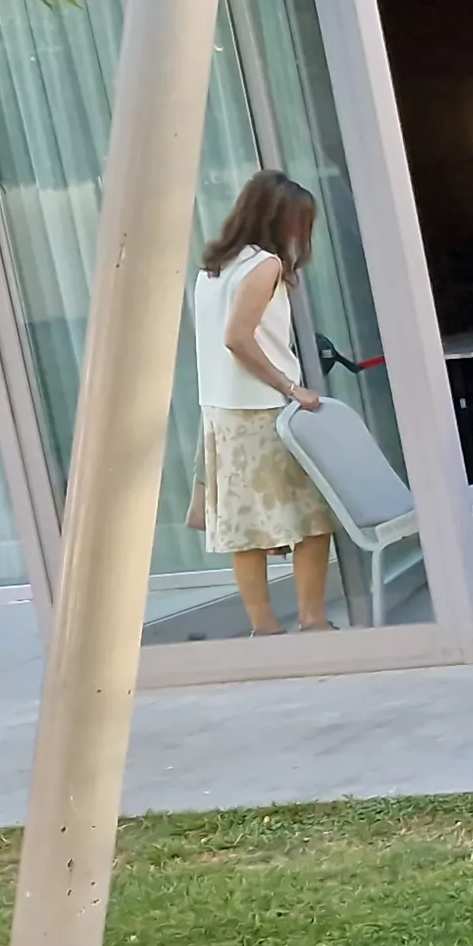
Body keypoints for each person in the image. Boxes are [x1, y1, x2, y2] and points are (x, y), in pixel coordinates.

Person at [186, 171, 337, 635]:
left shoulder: (213, 268)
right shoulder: (265, 265)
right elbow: (239, 339)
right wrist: (293, 388)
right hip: (264, 409)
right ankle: (312, 620)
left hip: (220, 409)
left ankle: (265, 629)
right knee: (314, 517)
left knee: (244, 530)